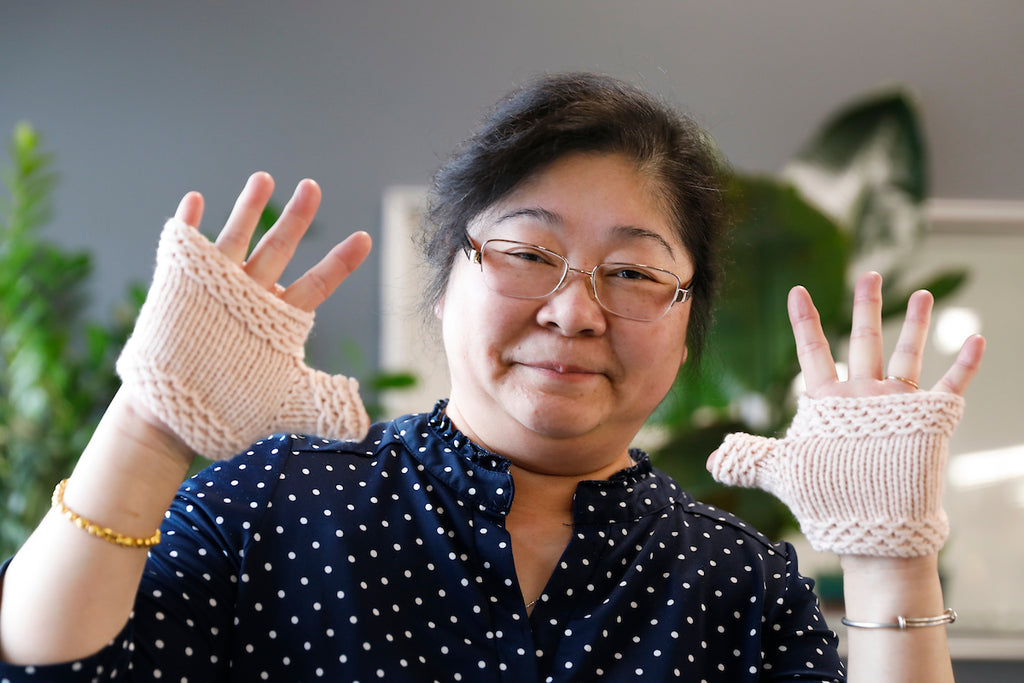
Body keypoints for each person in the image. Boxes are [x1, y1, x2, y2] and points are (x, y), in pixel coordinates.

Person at [0, 73, 984, 681]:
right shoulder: (274, 503)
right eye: (526, 254)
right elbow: (49, 665)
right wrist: (151, 422)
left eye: (634, 273)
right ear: (444, 289)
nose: (574, 310)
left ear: (686, 333)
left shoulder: (740, 583)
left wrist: (891, 558)